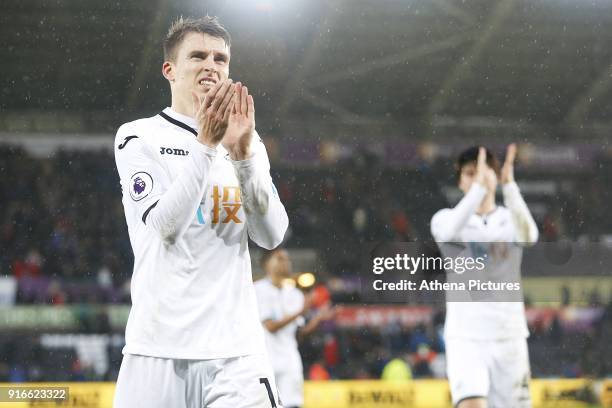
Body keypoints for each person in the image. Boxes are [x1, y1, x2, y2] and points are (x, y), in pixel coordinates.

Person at [113, 16, 288, 407]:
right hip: (158, 349)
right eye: (198, 56)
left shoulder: (247, 138)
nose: (211, 65)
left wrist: (243, 157)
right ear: (169, 70)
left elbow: (271, 234)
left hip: (237, 353)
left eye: (220, 59)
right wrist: (207, 144)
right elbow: (165, 226)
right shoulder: (138, 136)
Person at [430, 145, 538, 408]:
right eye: (470, 173)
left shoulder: (509, 219)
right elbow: (447, 234)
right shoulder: (446, 220)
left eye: (483, 172)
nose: (477, 177)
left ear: (495, 176)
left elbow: (529, 236)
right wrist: (479, 188)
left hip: (509, 335)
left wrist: (510, 187)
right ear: (460, 181)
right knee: (471, 404)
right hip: (466, 337)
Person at [254, 249, 335, 408]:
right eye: (279, 258)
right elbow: (270, 326)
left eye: (287, 259)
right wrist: (301, 310)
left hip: (289, 360)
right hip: (265, 360)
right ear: (266, 264)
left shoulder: (295, 294)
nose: (285, 262)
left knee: (293, 404)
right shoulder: (257, 289)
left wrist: (318, 318)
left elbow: (299, 333)